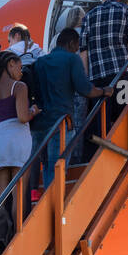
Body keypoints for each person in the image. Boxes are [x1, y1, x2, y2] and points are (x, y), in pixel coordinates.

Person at [31, 28, 111, 191]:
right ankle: (54, 209)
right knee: (57, 167)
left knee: (47, 166)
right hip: (61, 122)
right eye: (76, 46)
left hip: (40, 124)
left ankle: (47, 204)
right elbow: (85, 89)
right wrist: (103, 91)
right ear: (72, 43)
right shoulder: (71, 59)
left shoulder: (40, 62)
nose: (77, 50)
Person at [79, 0, 128, 143]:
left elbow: (83, 50)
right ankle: (126, 143)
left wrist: (86, 79)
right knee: (124, 111)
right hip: (122, 73)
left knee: (101, 117)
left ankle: (103, 146)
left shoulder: (88, 17)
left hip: (98, 78)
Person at [0, 51, 38, 203]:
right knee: (18, 196)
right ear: (10, 64)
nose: (20, 73)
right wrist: (33, 111)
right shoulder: (19, 86)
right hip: (17, 140)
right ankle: (19, 227)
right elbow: (22, 117)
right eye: (19, 68)